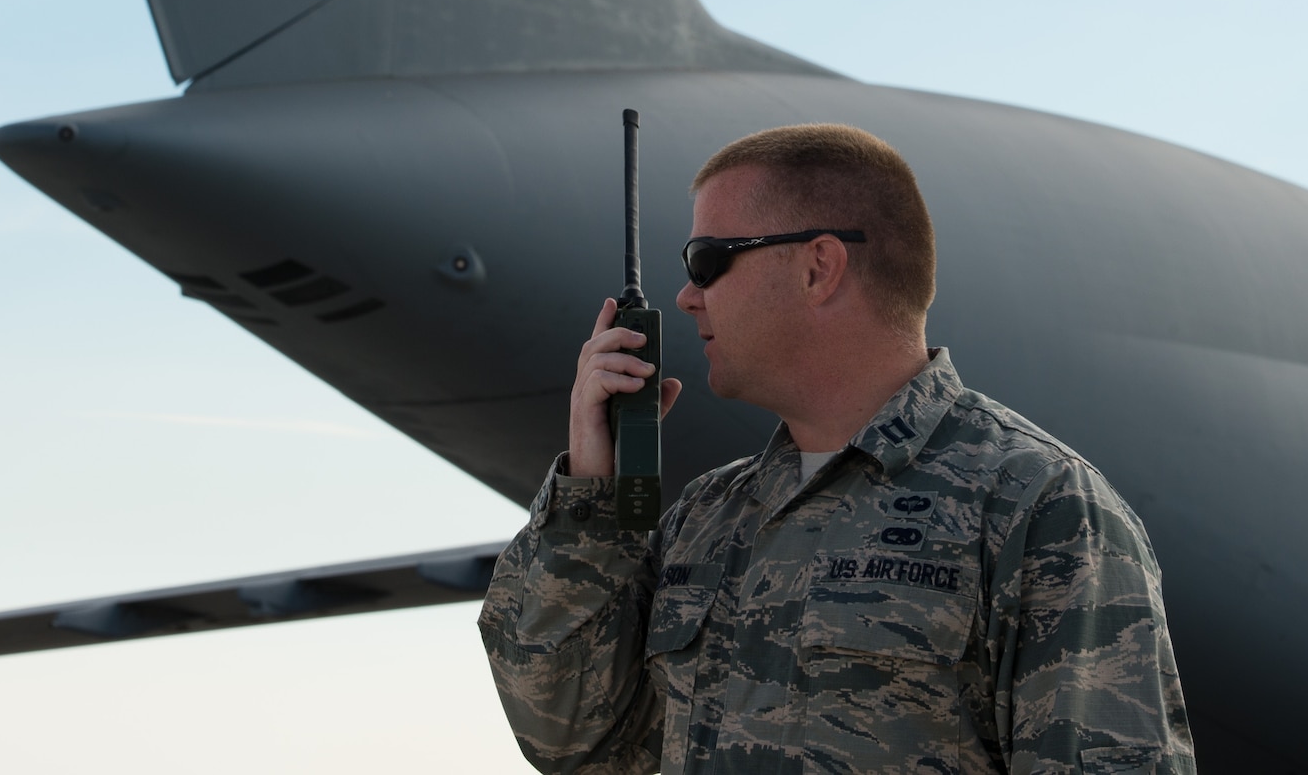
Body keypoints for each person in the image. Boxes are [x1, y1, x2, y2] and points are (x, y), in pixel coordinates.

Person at [479, 124, 1193, 774]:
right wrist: (591, 496)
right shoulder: (709, 517)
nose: (688, 297)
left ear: (818, 267)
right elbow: (569, 739)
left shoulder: (1039, 508)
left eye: (706, 261)